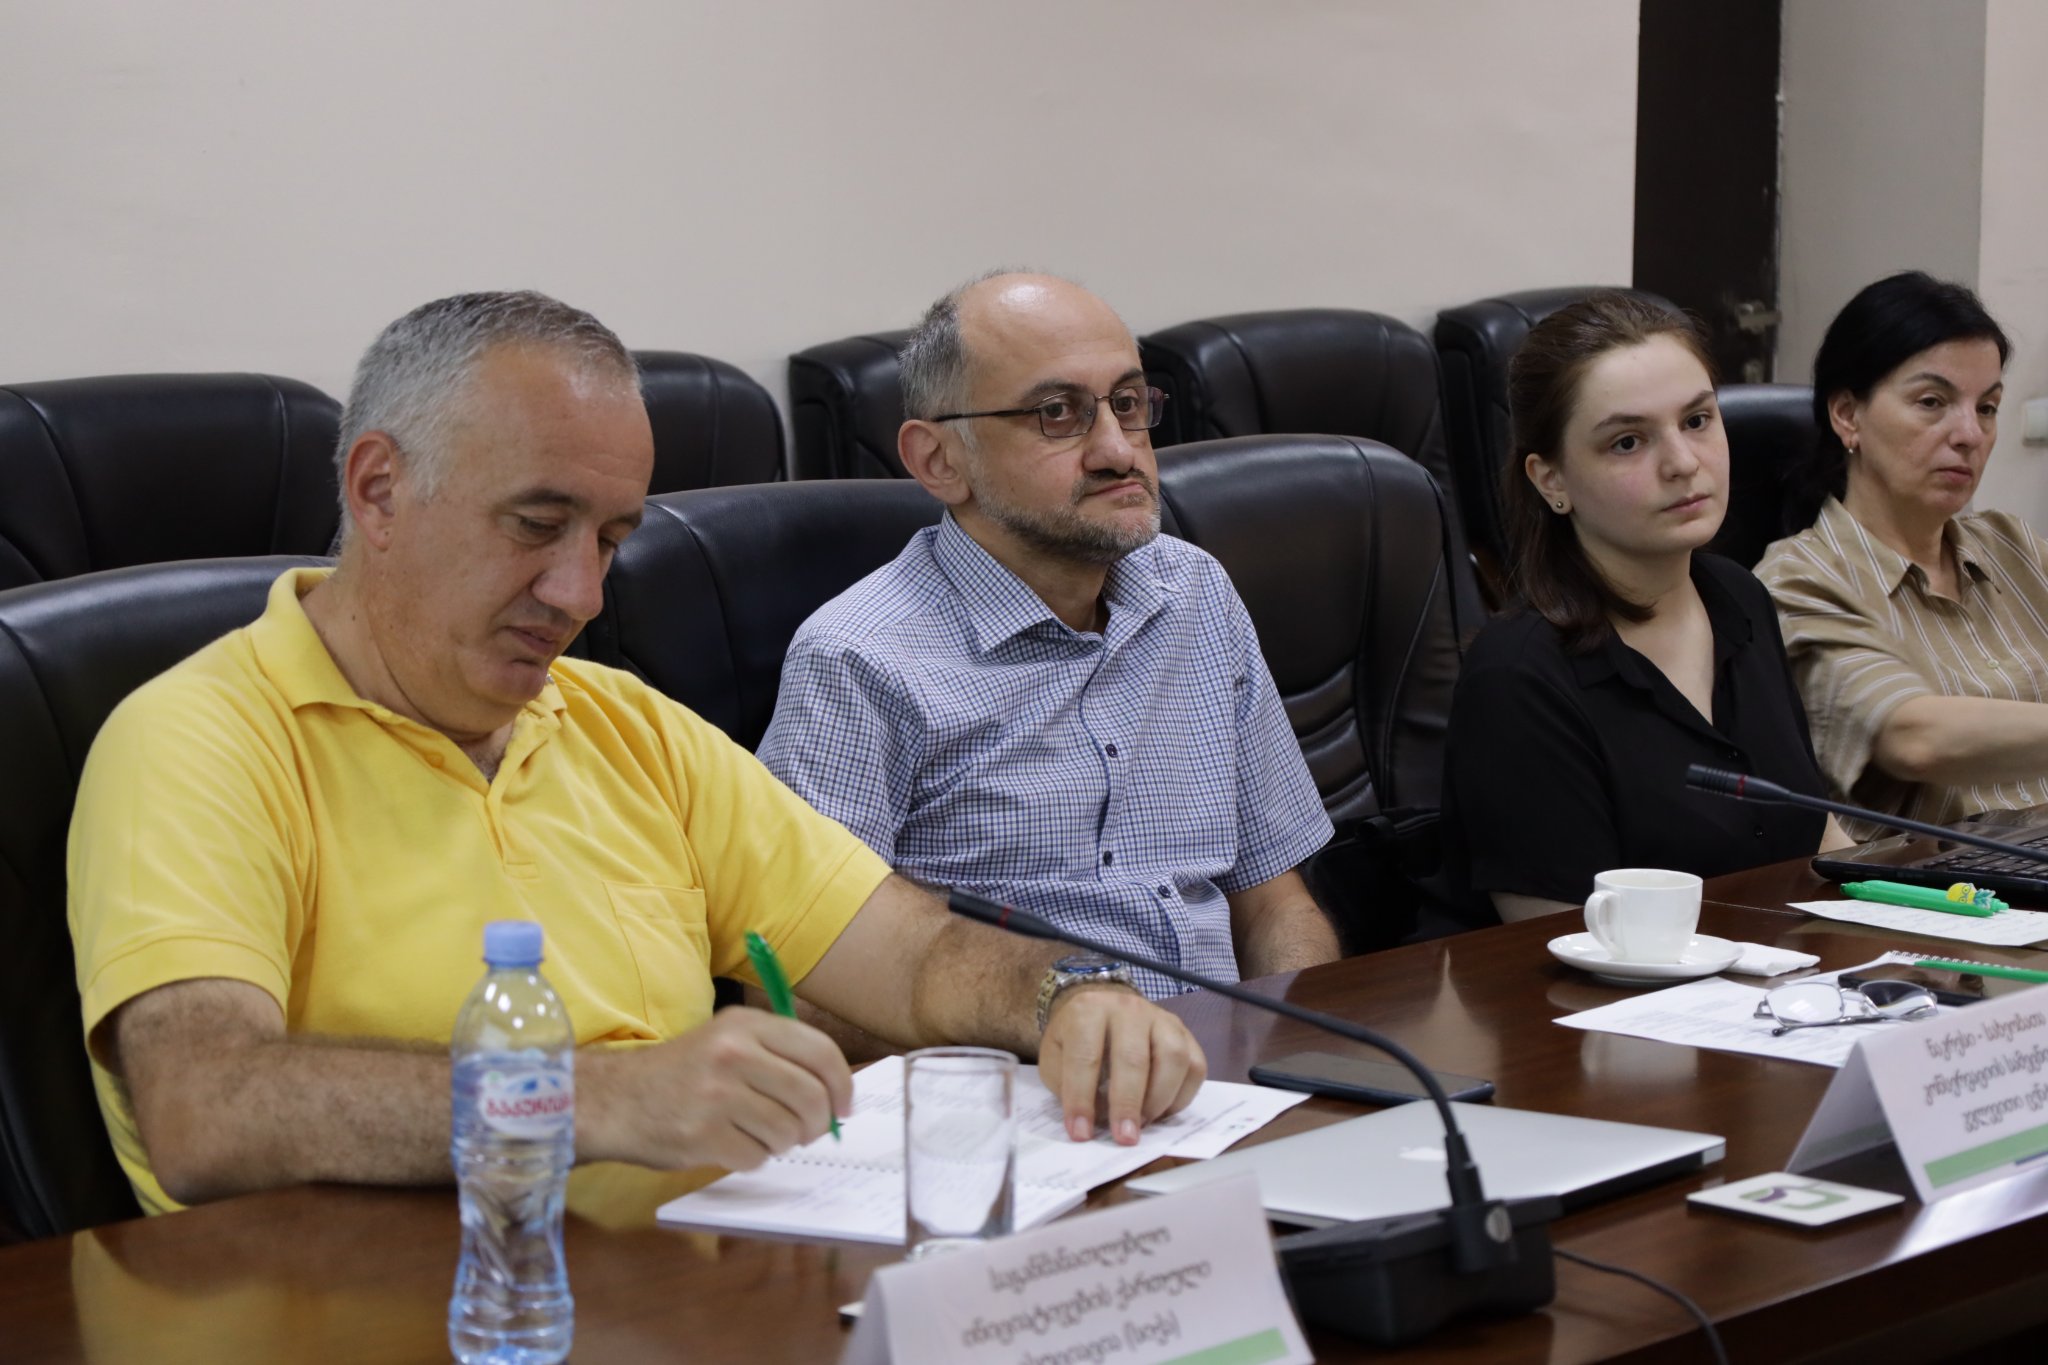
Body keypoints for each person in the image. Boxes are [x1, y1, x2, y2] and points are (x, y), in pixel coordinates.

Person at [67, 291, 1204, 1216]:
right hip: (380, 1309)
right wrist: (596, 1099)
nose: (579, 593)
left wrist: (1064, 995)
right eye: (535, 525)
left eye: (610, 540)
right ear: (379, 489)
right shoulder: (201, 740)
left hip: (672, 1288)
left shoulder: (624, 723)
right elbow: (205, 1106)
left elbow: (904, 952)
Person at [756, 272, 1338, 998]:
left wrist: (1295, 1040)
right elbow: (794, 985)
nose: (1118, 451)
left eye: (1128, 404)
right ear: (939, 460)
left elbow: (1274, 901)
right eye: (1057, 413)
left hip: (1231, 1055)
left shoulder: (1194, 590)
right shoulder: (859, 660)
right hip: (1024, 1061)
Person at [1440, 293, 1849, 924]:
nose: (1683, 463)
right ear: (1551, 480)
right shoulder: (1518, 677)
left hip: (1798, 973)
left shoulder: (1739, 597)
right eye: (1628, 442)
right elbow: (1557, 942)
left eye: (1697, 420)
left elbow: (1818, 838)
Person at [1757, 272, 2046, 839]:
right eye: (1932, 403)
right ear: (1848, 416)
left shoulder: (2012, 545)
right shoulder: (1797, 580)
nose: (1969, 434)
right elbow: (1915, 739)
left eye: (1987, 408)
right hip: (1939, 881)